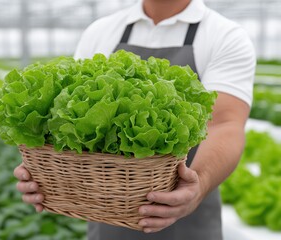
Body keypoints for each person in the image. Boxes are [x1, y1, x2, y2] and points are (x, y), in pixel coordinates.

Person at [14, 0, 256, 239]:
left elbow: (225, 123)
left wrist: (199, 185)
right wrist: (48, 176)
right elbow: (68, 109)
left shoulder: (224, 35)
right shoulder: (101, 31)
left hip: (188, 221)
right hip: (105, 222)